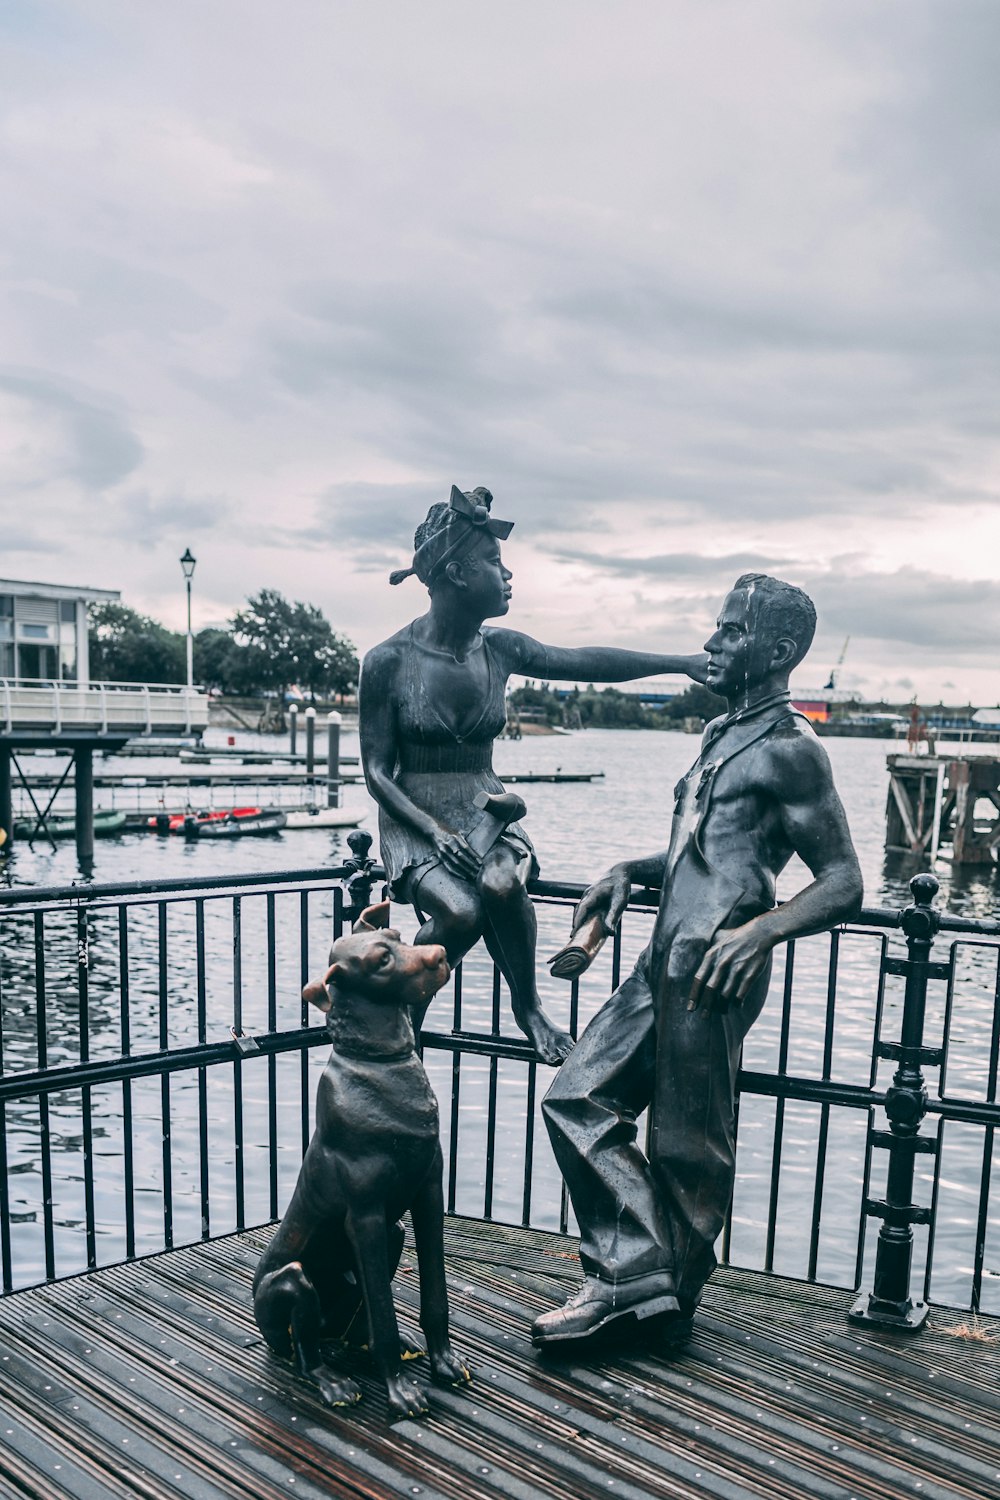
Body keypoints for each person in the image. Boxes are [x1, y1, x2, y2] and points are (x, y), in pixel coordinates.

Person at [533, 573, 863, 1346]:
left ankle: (654, 1299)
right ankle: (638, 1277)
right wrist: (627, 871)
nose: (712, 645)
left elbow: (845, 879)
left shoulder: (793, 749)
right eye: (715, 629)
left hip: (716, 962)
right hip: (662, 956)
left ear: (778, 651)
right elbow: (707, 852)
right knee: (576, 1098)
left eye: (731, 632)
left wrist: (763, 933)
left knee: (688, 1144)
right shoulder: (720, 734)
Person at [359, 485, 708, 1066]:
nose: (508, 574)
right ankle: (401, 1019)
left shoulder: (502, 649)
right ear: (455, 574)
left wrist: (679, 664)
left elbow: (589, 661)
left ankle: (528, 1009)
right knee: (462, 911)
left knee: (501, 885)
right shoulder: (387, 661)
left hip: (486, 807)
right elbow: (376, 772)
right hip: (413, 816)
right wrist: (433, 833)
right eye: (494, 562)